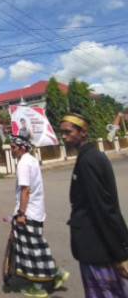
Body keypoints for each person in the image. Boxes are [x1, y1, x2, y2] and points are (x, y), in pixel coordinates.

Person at [60, 113, 128, 297]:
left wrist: (120, 254)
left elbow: (104, 208)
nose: (64, 136)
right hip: (94, 249)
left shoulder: (89, 161)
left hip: (99, 251)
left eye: (68, 132)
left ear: (83, 132)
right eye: (62, 132)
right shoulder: (87, 157)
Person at [9, 135, 68, 297]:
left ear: (22, 148)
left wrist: (21, 213)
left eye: (13, 147)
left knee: (32, 252)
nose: (11, 150)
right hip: (37, 211)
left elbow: (25, 190)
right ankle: (57, 274)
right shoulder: (32, 160)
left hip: (28, 214)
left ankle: (38, 288)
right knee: (39, 248)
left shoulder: (23, 163)